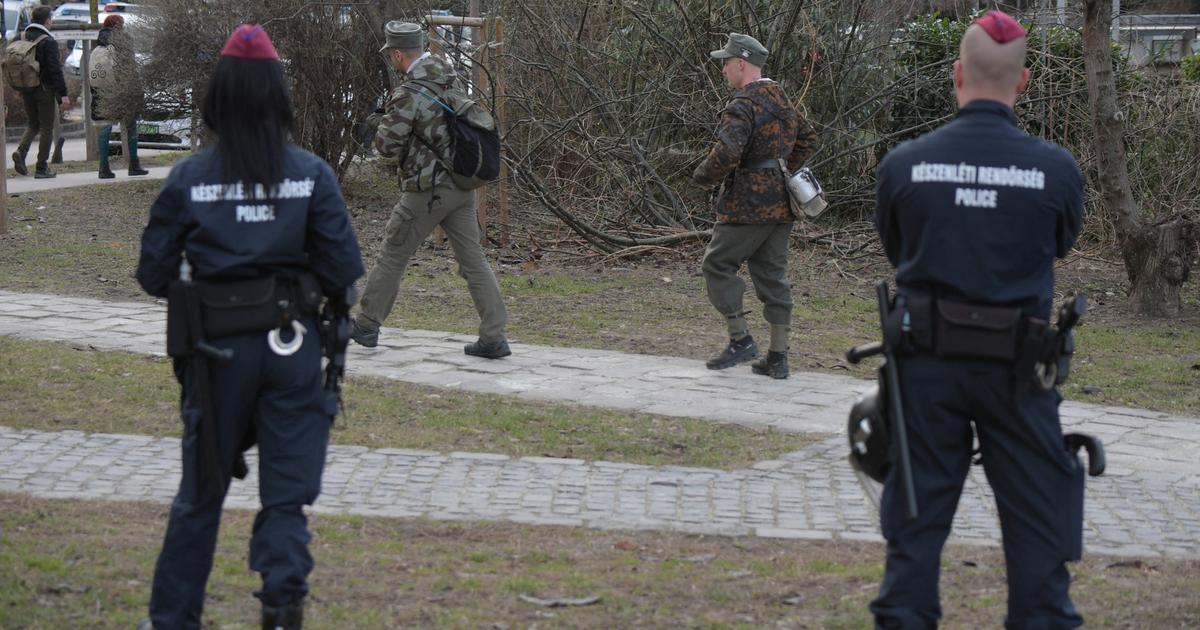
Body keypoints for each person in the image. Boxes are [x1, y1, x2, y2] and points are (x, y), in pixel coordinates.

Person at [134, 24, 363, 630]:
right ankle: (283, 606)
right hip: (291, 349)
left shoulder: (190, 179)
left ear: (218, 97)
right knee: (286, 495)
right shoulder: (311, 175)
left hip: (214, 356)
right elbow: (343, 272)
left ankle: (172, 619)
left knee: (199, 499)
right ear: (278, 96)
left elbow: (153, 273)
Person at [870, 11, 1086, 629]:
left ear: (956, 75)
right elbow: (1060, 242)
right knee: (1040, 531)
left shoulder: (905, 164)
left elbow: (898, 246)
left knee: (915, 528)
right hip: (1019, 372)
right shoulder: (1056, 169)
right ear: (1022, 84)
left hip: (925, 372)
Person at [350, 20, 510, 359]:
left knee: (393, 254)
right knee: (474, 262)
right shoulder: (450, 79)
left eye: (390, 56)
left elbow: (386, 148)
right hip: (460, 187)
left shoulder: (409, 94)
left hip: (426, 190)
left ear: (398, 54)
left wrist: (377, 123)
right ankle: (494, 336)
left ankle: (366, 325)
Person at [692, 32, 817, 380]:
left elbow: (727, 154)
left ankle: (741, 339)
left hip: (747, 205)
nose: (723, 70)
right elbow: (807, 138)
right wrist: (780, 168)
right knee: (772, 276)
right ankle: (778, 357)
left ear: (742, 63)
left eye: (726, 63)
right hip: (782, 205)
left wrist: (701, 178)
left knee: (717, 265)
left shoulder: (743, 104)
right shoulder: (781, 101)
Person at [11, 5, 70, 179]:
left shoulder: (20, 37)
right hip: (44, 90)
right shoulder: (48, 41)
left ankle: (21, 153)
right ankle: (41, 167)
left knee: (32, 124)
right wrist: (63, 94)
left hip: (26, 89)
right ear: (47, 21)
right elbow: (54, 70)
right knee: (46, 128)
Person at [90, 13, 150, 179]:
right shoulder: (124, 40)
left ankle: (103, 168)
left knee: (105, 127)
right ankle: (134, 165)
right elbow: (129, 67)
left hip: (102, 90)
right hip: (123, 89)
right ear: (119, 25)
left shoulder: (98, 42)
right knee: (130, 125)